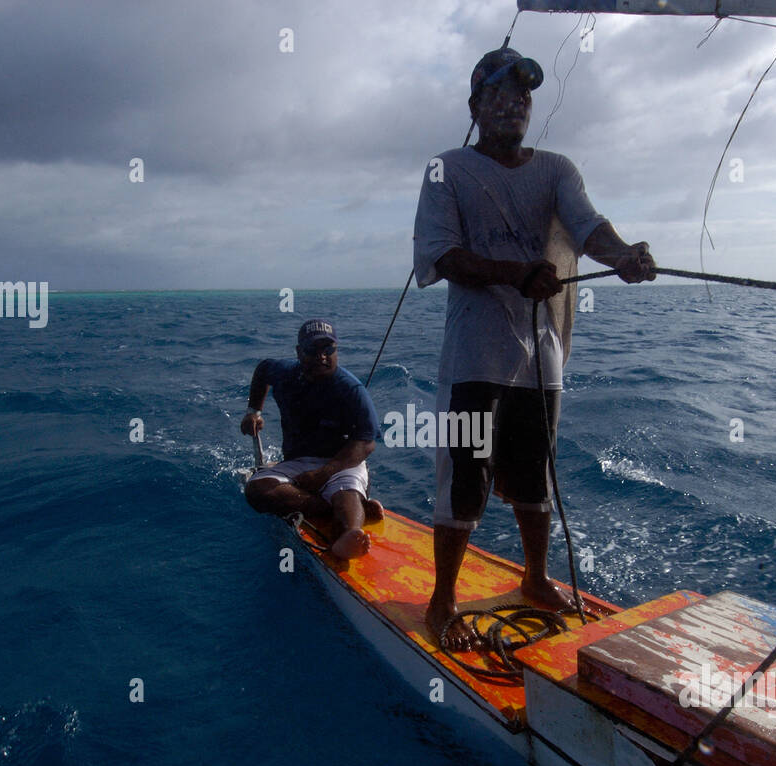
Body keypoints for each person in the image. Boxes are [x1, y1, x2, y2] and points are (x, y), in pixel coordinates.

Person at [413, 46, 658, 640]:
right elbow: (444, 257)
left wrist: (624, 253)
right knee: (464, 475)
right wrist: (515, 270)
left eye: (522, 96)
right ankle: (442, 601)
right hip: (475, 354)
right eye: (499, 93)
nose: (514, 104)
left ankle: (535, 579)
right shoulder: (446, 169)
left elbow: (588, 225)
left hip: (541, 356)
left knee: (536, 473)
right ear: (475, 105)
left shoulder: (557, 170)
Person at [241, 319, 384, 559]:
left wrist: (323, 474)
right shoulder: (284, 373)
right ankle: (333, 507)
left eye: (328, 350)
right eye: (312, 351)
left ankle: (348, 534)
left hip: (341, 463)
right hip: (297, 463)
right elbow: (263, 370)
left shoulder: (351, 389)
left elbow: (366, 442)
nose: (322, 357)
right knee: (256, 490)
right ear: (299, 352)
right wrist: (253, 412)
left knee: (345, 493)